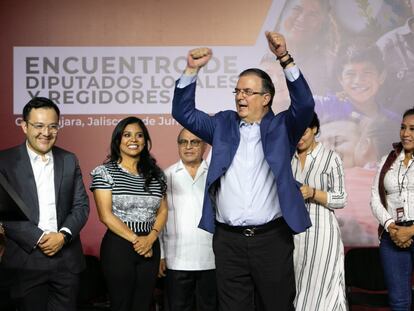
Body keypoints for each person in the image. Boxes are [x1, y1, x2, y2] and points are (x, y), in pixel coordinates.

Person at [172, 32, 315, 311]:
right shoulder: (223, 124)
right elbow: (184, 113)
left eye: (247, 92)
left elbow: (306, 105)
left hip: (271, 239)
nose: (240, 97)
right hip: (229, 241)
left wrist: (284, 58)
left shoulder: (283, 126)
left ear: (266, 98)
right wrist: (191, 70)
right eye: (237, 91)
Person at [0, 97, 89, 311]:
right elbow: (6, 212)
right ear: (24, 126)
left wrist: (63, 235)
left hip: (66, 261)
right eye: (38, 126)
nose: (46, 133)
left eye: (52, 126)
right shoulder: (5, 161)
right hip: (25, 260)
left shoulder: (69, 159)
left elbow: (81, 205)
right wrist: (39, 238)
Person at [90, 116, 168, 311]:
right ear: (118, 140)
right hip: (119, 246)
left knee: (143, 304)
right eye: (127, 135)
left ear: (145, 141)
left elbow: (163, 210)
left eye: (139, 135)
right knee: (121, 304)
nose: (133, 140)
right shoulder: (105, 172)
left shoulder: (156, 174)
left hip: (150, 245)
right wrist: (137, 240)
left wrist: (150, 238)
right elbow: (105, 215)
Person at [291, 113, 347, 310]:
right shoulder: (289, 159)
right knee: (299, 288)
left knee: (323, 288)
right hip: (295, 234)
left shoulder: (331, 158)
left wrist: (313, 192)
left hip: (323, 232)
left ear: (314, 129)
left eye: (304, 131)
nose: (300, 136)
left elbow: (341, 198)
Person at [159, 128, 216, 311]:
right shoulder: (164, 177)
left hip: (212, 259)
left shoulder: (216, 176)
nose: (188, 146)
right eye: (183, 142)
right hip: (176, 260)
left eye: (195, 142)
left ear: (205, 146)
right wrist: (161, 255)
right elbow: (159, 218)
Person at [371, 107, 414, 310]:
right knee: (398, 302)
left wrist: (411, 231)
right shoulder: (389, 159)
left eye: (413, 129)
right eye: (403, 127)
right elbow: (375, 198)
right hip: (393, 236)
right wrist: (390, 226)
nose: (406, 133)